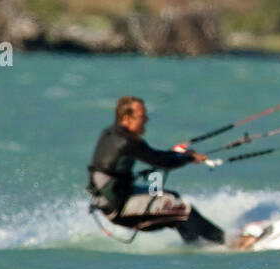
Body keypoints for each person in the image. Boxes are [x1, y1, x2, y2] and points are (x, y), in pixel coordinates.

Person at [86, 96, 226, 245]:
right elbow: (162, 162)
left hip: (115, 198)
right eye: (142, 116)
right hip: (118, 208)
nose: (146, 120)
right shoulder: (127, 141)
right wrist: (188, 157)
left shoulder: (111, 133)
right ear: (127, 118)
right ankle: (227, 241)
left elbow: (156, 156)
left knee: (172, 198)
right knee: (181, 209)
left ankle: (195, 245)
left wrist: (181, 155)